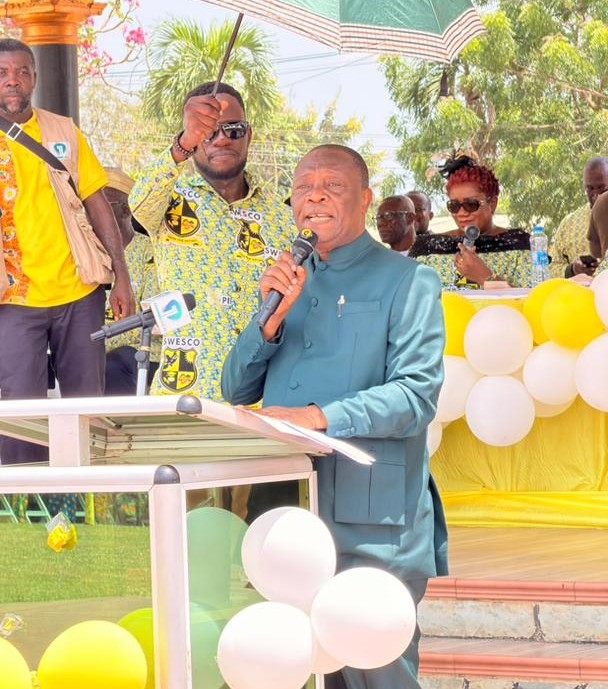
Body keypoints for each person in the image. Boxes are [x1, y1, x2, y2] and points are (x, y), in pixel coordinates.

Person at [222, 144, 447, 689]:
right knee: (289, 667)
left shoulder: (408, 280)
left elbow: (416, 396)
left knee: (375, 670)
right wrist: (269, 321)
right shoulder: (287, 278)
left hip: (371, 516)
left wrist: (318, 417)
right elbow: (235, 388)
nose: (315, 197)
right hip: (286, 513)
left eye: (332, 186)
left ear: (366, 200)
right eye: (303, 187)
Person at [0, 39, 134, 465]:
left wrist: (122, 276)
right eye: (3, 73)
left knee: (86, 407)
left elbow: (97, 202)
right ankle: (21, 494)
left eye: (22, 72)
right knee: (20, 414)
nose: (13, 81)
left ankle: (91, 491)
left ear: (35, 78)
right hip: (14, 298)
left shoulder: (63, 131)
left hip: (79, 291)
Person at [129, 81, 295, 400]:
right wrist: (182, 144)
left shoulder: (284, 217)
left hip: (261, 400)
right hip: (185, 396)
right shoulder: (168, 202)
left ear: (249, 134)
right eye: (207, 131)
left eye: (233, 129)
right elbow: (138, 203)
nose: (221, 139)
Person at [409, 155, 533, 288]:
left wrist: (484, 277)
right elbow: (408, 297)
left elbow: (536, 299)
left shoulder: (520, 244)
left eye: (471, 204)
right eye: (454, 206)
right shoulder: (427, 247)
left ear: (492, 203)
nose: (461, 213)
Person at [103, 167, 161, 395]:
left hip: (142, 351)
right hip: (92, 351)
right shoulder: (85, 254)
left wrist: (98, 343)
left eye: (104, 206)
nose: (93, 213)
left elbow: (150, 320)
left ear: (126, 209)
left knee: (111, 366)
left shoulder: (151, 253)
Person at [549, 157, 608, 278]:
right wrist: (573, 270)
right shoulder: (569, 224)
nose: (596, 195)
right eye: (590, 188)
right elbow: (553, 267)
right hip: (576, 289)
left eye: (602, 188)